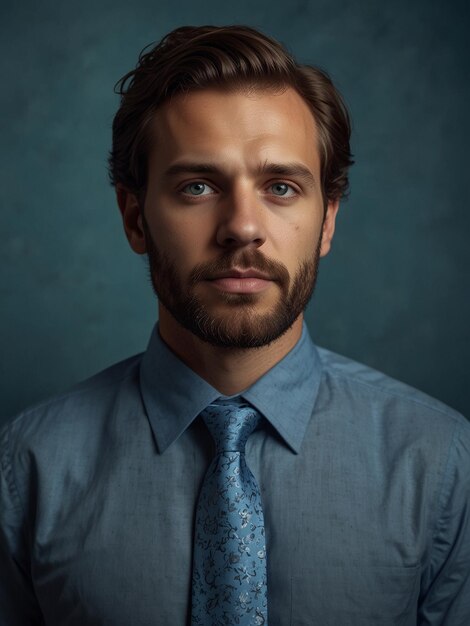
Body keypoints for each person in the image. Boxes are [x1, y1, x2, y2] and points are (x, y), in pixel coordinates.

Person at [0, 24, 469, 626]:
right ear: (135, 218)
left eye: (280, 187)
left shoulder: (441, 464)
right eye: (198, 186)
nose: (242, 226)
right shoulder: (25, 471)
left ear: (326, 222)